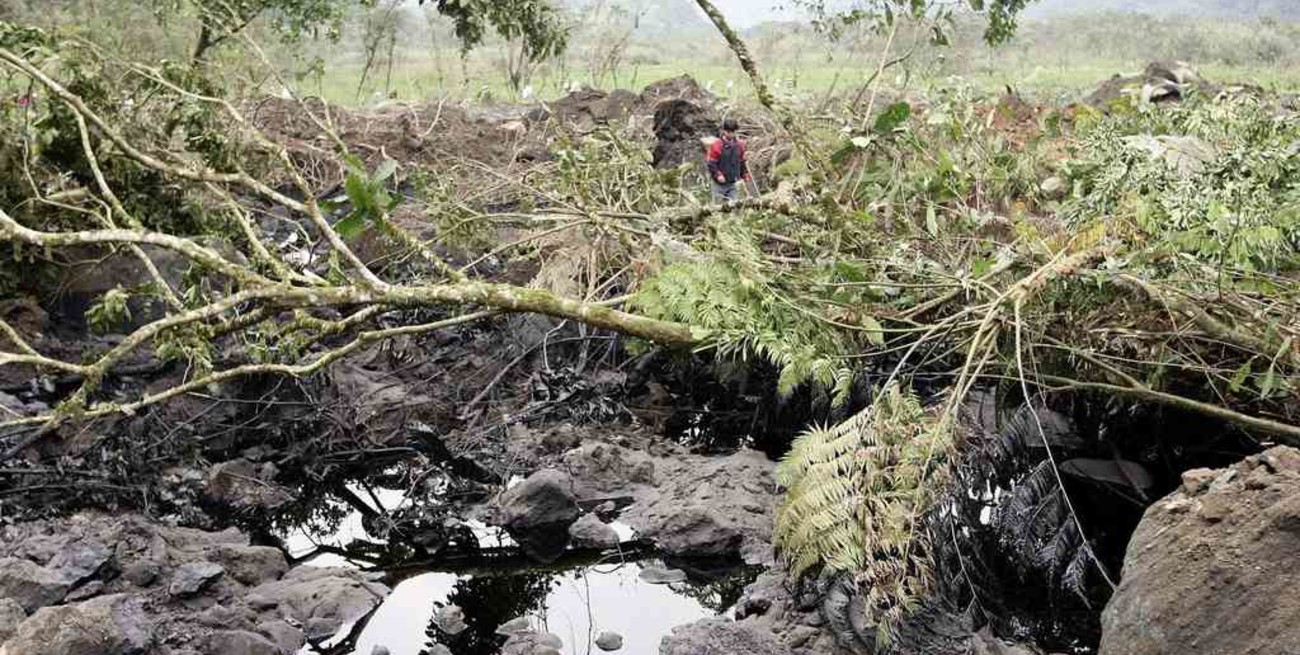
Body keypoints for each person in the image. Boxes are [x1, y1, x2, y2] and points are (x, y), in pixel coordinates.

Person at [706, 118, 749, 203]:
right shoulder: (717, 145)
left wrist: (744, 174)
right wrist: (718, 175)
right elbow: (711, 163)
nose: (731, 134)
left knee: (734, 205)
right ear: (724, 131)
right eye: (729, 132)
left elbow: (741, 162)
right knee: (718, 208)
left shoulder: (740, 145)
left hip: (733, 183)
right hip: (719, 184)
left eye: (733, 132)